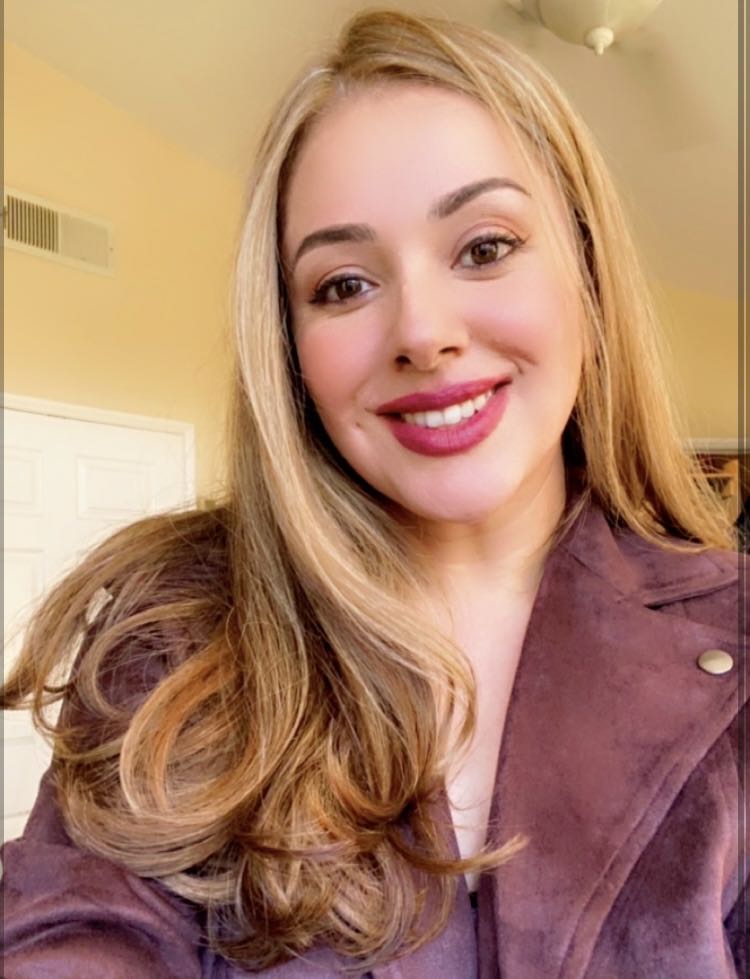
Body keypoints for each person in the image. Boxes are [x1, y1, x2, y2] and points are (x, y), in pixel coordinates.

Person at [2, 9, 746, 978]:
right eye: (345, 285)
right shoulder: (178, 629)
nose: (423, 332)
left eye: (484, 247)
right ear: (289, 349)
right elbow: (77, 931)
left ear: (588, 278)